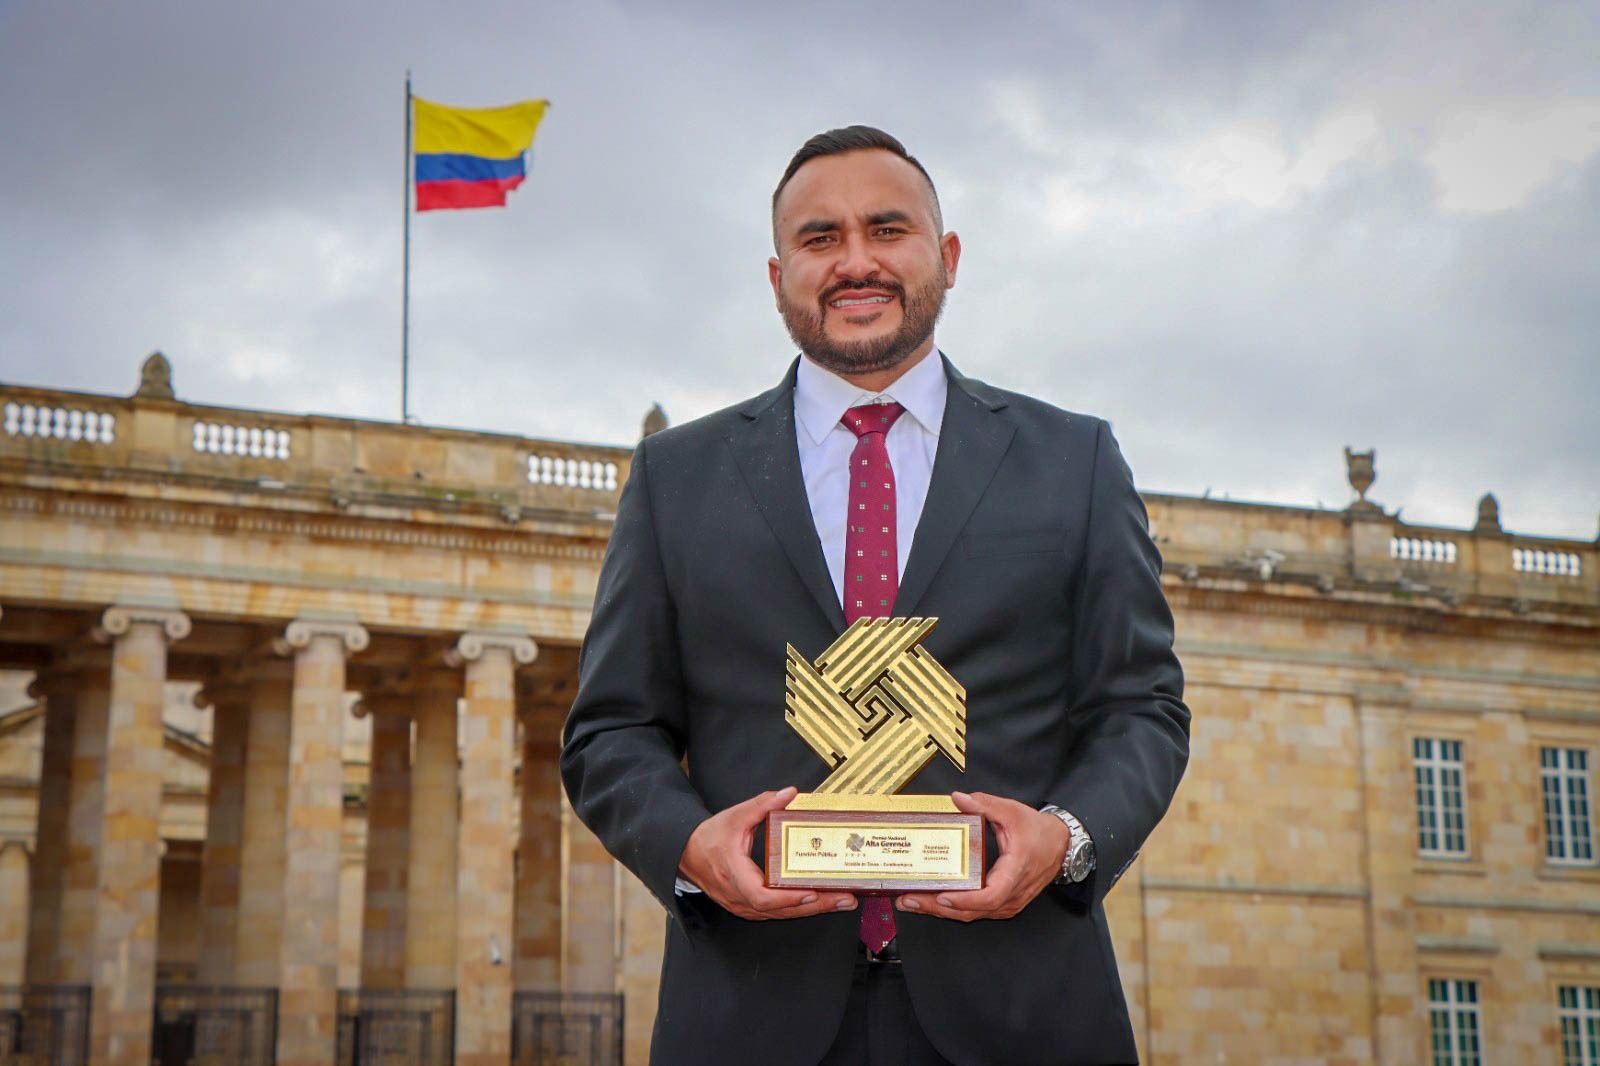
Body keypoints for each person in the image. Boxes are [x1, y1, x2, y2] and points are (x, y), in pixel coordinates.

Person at [561, 125, 1189, 1066]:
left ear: (946, 256)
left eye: (886, 229)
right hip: (749, 1014)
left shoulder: (1075, 462)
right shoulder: (674, 477)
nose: (855, 261)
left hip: (1027, 1013)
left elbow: (1140, 709)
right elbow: (610, 732)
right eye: (820, 239)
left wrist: (1065, 839)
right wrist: (690, 846)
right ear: (778, 276)